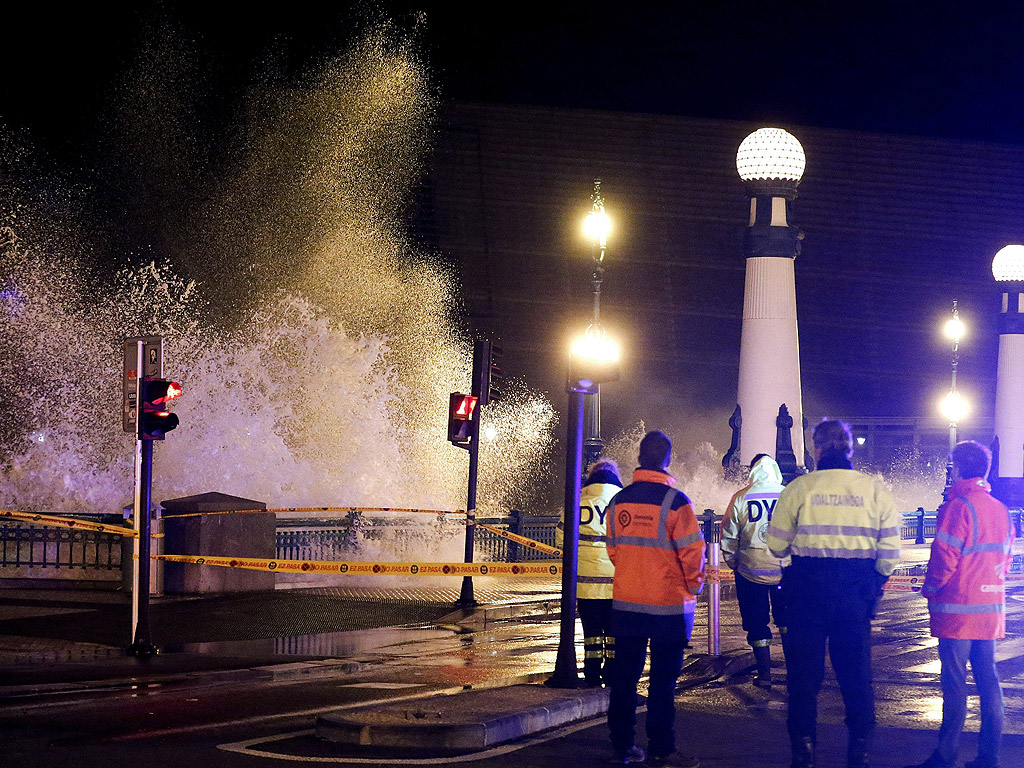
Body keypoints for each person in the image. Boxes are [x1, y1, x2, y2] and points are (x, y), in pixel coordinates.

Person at [766, 419, 901, 768]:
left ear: (817, 449)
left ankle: (804, 751)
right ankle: (859, 752)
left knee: (803, 678)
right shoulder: (874, 490)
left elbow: (776, 543)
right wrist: (875, 583)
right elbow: (889, 553)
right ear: (850, 449)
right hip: (855, 595)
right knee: (856, 675)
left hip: (806, 593)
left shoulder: (799, 488)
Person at [902, 441, 1015, 768]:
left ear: (959, 468)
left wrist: (930, 588)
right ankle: (989, 756)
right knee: (989, 682)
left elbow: (944, 558)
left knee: (954, 684)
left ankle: (946, 755)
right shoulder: (1001, 509)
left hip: (957, 612)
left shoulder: (959, 507)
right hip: (989, 610)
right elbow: (1004, 563)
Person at [605, 430, 705, 767]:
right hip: (668, 608)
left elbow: (614, 551)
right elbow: (694, 554)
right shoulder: (676, 502)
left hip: (627, 604)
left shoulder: (619, 501)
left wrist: (634, 575)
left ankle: (622, 746)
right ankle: (662, 749)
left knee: (624, 677)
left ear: (639, 456)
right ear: (667, 459)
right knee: (663, 682)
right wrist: (693, 587)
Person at [721, 453, 789, 689]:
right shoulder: (788, 495)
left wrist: (733, 563)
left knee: (757, 624)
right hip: (784, 572)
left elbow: (729, 535)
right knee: (789, 622)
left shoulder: (740, 497)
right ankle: (795, 673)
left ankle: (765, 675)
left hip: (750, 573)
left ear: (752, 471)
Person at [555, 457, 622, 686]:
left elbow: (561, 539)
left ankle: (592, 674)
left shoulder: (577, 502)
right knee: (614, 630)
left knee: (591, 631)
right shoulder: (622, 504)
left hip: (584, 583)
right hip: (616, 581)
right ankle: (613, 672)